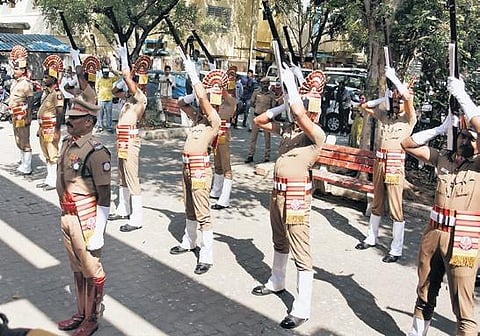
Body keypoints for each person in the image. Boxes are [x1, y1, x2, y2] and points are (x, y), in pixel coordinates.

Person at [402, 76, 480, 336]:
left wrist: (463, 97)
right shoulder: (443, 160)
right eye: (461, 135)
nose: (464, 140)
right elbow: (407, 144)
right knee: (424, 290)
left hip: (464, 240)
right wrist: (439, 128)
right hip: (434, 232)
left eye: (471, 137)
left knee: (463, 306)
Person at [251, 65, 326, 329]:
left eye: (309, 108)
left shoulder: (316, 135)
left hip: (296, 199)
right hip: (277, 193)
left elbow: (299, 113)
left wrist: (292, 91)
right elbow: (259, 121)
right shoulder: (289, 132)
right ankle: (277, 281)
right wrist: (282, 106)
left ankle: (302, 306)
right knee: (279, 240)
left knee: (301, 250)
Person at [56, 97, 111, 336]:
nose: (69, 121)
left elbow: (105, 194)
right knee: (77, 268)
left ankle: (92, 318)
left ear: (88, 122)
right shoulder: (69, 143)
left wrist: (99, 231)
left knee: (92, 269)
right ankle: (80, 312)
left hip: (85, 217)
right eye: (70, 117)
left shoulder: (96, 152)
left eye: (75, 119)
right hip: (67, 214)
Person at [354, 66, 416, 263]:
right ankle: (371, 236)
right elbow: (364, 107)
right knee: (378, 200)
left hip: (395, 165)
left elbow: (408, 98)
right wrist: (384, 98)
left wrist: (395, 80)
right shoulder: (385, 116)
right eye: (395, 101)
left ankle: (396, 248)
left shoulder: (409, 119)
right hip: (380, 161)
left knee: (396, 206)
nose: (397, 104)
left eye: (399, 101)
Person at [169, 57, 221, 275]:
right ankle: (189, 241)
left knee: (202, 211)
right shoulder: (198, 119)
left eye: (205, 103)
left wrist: (194, 75)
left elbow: (202, 98)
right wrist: (192, 95)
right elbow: (181, 103)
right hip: (187, 167)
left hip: (200, 168)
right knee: (189, 206)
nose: (200, 105)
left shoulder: (214, 120)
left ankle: (206, 255)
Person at [108, 47, 150, 233]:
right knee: (122, 175)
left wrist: (128, 75)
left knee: (132, 177)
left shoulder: (141, 98)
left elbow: (129, 84)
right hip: (121, 140)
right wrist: (123, 79)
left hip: (131, 141)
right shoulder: (128, 99)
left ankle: (136, 218)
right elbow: (114, 90)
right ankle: (123, 208)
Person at [35, 55, 64, 191]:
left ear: (53, 78)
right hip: (43, 127)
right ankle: (49, 178)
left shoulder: (57, 93)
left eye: (46, 77)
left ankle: (55, 181)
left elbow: (60, 112)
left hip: (51, 128)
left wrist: (57, 130)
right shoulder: (47, 92)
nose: (44, 79)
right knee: (46, 154)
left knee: (53, 154)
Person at [210, 76, 237, 210]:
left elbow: (227, 96)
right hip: (215, 135)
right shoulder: (216, 103)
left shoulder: (231, 102)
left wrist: (220, 84)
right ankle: (216, 190)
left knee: (226, 167)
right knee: (217, 164)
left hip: (224, 135)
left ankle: (224, 199)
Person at [8, 45, 34, 175]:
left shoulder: (26, 83)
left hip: (22, 114)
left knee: (24, 139)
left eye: (16, 69)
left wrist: (29, 116)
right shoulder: (16, 82)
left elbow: (30, 101)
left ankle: (27, 166)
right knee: (18, 138)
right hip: (16, 114)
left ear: (22, 70)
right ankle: (23, 161)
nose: (14, 70)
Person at [244, 77, 276, 163]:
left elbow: (273, 106)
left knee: (267, 138)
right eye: (263, 84)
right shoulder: (256, 92)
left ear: (269, 84)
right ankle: (250, 155)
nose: (264, 85)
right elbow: (252, 103)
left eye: (266, 84)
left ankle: (267, 156)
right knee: (253, 138)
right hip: (256, 117)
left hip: (266, 118)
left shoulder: (272, 95)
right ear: (260, 84)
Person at [95, 67, 117, 133]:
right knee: (100, 114)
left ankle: (109, 127)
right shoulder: (99, 80)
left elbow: (118, 76)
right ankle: (100, 126)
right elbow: (96, 89)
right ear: (102, 73)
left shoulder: (111, 79)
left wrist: (112, 71)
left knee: (109, 115)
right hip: (101, 99)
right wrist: (97, 96)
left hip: (109, 99)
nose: (106, 75)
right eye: (104, 73)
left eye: (107, 73)